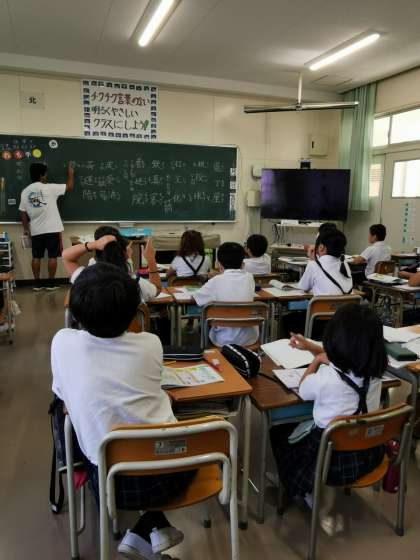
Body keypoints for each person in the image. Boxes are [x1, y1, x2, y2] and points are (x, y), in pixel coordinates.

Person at [51, 263, 193, 559]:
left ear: (76, 312)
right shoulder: (151, 343)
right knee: (172, 426)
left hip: (108, 481)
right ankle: (150, 526)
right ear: (133, 314)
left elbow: (63, 399)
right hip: (172, 473)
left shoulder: (62, 342)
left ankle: (146, 528)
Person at [270, 304, 387, 530]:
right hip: (367, 454)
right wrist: (312, 348)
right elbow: (350, 359)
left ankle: (301, 487)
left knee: (278, 432)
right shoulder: (375, 373)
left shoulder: (325, 378)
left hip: (327, 463)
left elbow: (304, 388)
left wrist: (315, 361)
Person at [61, 226, 161, 302]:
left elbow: (66, 257)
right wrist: (151, 260)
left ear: (96, 254)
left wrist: (93, 244)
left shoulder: (85, 280)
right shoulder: (134, 283)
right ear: (124, 254)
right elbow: (157, 289)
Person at [19, 162, 75, 291]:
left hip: (36, 230)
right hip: (52, 229)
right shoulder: (50, 188)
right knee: (52, 256)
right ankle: (51, 284)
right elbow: (70, 186)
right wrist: (71, 174)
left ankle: (37, 284)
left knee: (36, 257)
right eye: (45, 174)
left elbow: (22, 212)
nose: (47, 176)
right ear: (41, 175)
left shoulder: (25, 192)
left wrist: (26, 229)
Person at [193, 242, 257, 346]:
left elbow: (195, 297)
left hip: (223, 340)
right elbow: (233, 277)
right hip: (249, 338)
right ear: (243, 263)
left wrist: (217, 276)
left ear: (219, 264)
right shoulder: (250, 278)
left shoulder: (215, 281)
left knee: (204, 320)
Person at [298, 229, 353, 295]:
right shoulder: (344, 264)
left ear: (321, 247)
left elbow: (303, 288)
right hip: (349, 302)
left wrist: (312, 260)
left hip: (323, 302)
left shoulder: (313, 265)